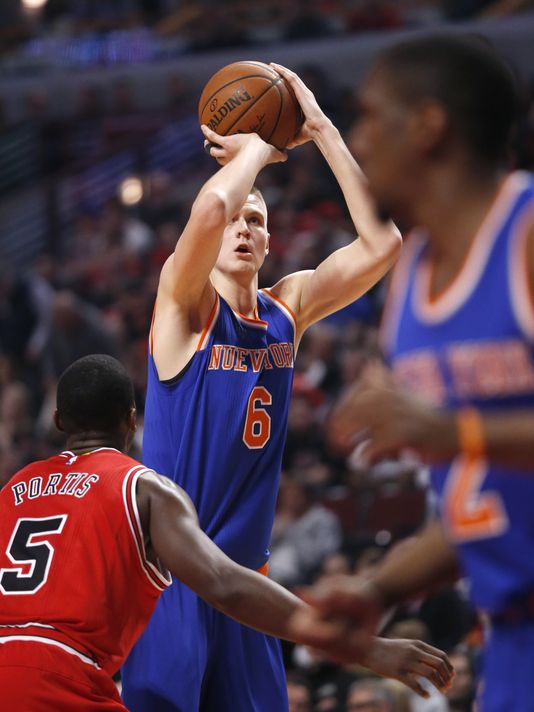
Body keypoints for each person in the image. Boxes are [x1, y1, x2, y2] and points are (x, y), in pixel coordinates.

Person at [119, 59, 451, 712]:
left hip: (252, 592)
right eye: (236, 221)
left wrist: (322, 127)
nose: (243, 228)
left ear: (271, 241)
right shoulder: (182, 310)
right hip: (173, 586)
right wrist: (258, 151)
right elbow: (213, 204)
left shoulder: (285, 312)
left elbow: (382, 244)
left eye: (258, 222)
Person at [287, 33, 534, 712]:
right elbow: (482, 508)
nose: (359, 140)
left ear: (429, 125)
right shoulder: (411, 286)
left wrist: (456, 431)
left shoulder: (525, 233)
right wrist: (379, 590)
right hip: (513, 640)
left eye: (370, 116)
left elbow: (466, 440)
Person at [0, 354, 306, 710]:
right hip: (63, 674)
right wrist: (338, 634)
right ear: (132, 419)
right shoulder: (143, 488)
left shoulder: (12, 488)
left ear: (57, 421)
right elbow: (224, 583)